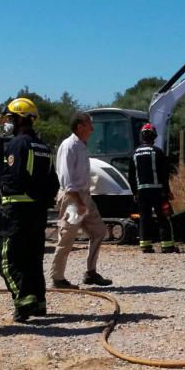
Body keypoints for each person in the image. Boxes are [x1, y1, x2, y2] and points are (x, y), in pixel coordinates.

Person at [0, 97, 59, 322]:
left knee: (8, 261)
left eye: (10, 118)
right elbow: (53, 181)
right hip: (37, 212)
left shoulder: (16, 145)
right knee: (33, 259)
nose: (8, 122)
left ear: (21, 119)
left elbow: (15, 177)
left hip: (16, 211)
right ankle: (39, 303)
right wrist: (41, 200)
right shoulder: (43, 146)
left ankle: (24, 301)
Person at [51, 111, 112, 288]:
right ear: (80, 127)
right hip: (73, 198)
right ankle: (57, 278)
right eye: (89, 125)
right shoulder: (69, 145)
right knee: (67, 237)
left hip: (83, 196)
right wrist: (78, 201)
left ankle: (91, 272)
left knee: (99, 231)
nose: (92, 129)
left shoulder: (81, 145)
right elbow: (66, 178)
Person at [128, 122, 177, 253]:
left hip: (142, 191)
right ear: (154, 136)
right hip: (158, 191)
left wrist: (135, 192)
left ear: (142, 136)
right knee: (163, 217)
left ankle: (145, 246)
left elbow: (131, 176)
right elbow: (164, 174)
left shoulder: (134, 153)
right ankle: (167, 246)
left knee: (144, 218)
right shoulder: (158, 152)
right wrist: (167, 191)